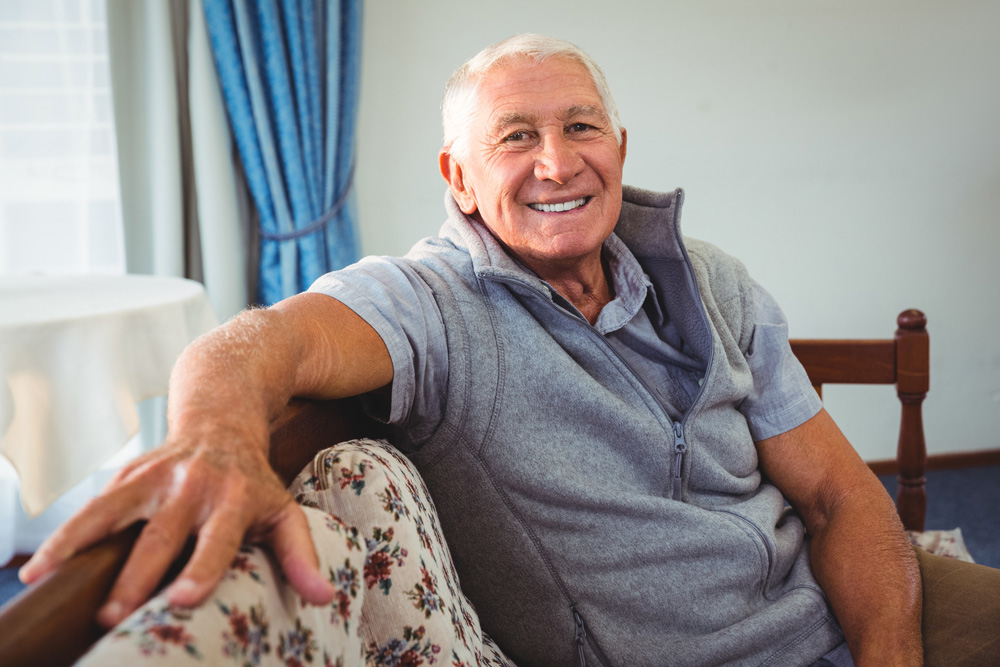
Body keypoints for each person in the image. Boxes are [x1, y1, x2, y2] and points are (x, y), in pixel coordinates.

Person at [19, 34, 999, 667]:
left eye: (580, 127)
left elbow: (837, 495)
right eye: (514, 136)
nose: (555, 161)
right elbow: (261, 338)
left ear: (619, 143)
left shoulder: (711, 274)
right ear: (457, 176)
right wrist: (217, 433)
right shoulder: (431, 303)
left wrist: (887, 654)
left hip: (842, 619)